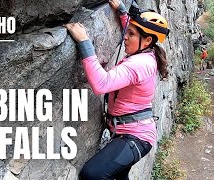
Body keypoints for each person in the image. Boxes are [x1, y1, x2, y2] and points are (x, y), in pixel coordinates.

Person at [64, 0, 169, 179]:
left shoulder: (140, 64)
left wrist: (84, 42)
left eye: (131, 34)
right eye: (126, 32)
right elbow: (133, 30)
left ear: (147, 40)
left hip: (135, 137)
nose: (125, 37)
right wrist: (121, 12)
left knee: (91, 175)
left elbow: (101, 84)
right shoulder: (146, 52)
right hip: (131, 132)